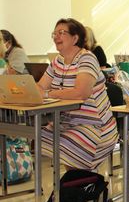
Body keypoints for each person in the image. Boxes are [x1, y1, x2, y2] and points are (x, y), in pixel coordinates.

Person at [37, 18, 118, 170]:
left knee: (67, 142)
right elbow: (40, 87)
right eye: (54, 33)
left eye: (61, 33)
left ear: (75, 38)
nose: (56, 37)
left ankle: (82, 187)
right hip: (67, 122)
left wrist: (47, 94)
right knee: (40, 136)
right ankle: (75, 187)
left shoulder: (87, 58)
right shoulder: (57, 61)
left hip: (96, 126)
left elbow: (81, 93)